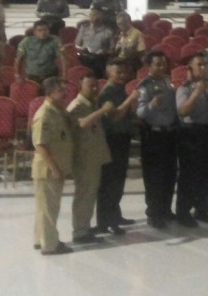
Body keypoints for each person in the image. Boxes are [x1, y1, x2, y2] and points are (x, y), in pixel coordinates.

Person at [67, 76, 114, 244]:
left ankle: (84, 227)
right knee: (84, 194)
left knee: (89, 194)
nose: (95, 89)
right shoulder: (78, 105)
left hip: (93, 157)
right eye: (90, 86)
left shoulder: (90, 104)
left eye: (96, 85)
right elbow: (82, 124)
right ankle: (79, 231)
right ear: (80, 86)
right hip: (84, 158)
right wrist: (102, 110)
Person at [95, 59, 139, 235]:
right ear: (108, 73)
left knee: (118, 181)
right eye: (118, 72)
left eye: (124, 72)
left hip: (122, 138)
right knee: (109, 182)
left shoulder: (119, 90)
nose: (122, 76)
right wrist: (130, 100)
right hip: (111, 140)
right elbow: (113, 117)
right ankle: (106, 222)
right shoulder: (107, 93)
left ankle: (115, 215)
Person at [135, 50, 179, 228]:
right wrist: (151, 105)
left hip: (169, 133)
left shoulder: (168, 82)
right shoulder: (144, 86)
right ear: (149, 67)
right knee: (154, 177)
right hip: (153, 135)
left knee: (169, 174)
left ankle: (166, 209)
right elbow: (139, 112)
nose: (162, 67)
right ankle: (153, 213)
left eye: (163, 64)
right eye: (157, 64)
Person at [175, 52, 208, 225]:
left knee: (207, 173)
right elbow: (183, 111)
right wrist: (196, 93)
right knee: (188, 175)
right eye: (199, 65)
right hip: (191, 134)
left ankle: (202, 209)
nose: (203, 68)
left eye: (205, 65)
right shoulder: (184, 88)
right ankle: (183, 212)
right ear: (190, 68)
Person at [31, 78, 74, 255]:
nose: (65, 94)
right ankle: (50, 245)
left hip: (54, 166)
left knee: (44, 207)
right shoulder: (45, 115)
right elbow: (40, 145)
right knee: (49, 208)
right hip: (48, 169)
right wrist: (55, 169)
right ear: (50, 93)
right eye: (60, 91)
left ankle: (40, 239)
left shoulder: (57, 111)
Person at [16, 20, 66, 84]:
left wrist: (64, 75)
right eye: (39, 30)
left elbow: (63, 58)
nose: (43, 32)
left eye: (45, 30)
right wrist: (17, 75)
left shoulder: (55, 41)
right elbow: (18, 59)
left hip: (50, 75)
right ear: (34, 32)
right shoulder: (26, 42)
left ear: (49, 31)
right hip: (32, 76)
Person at [75, 7, 115, 78]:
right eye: (92, 15)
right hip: (84, 56)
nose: (94, 17)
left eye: (97, 15)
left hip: (99, 58)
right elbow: (76, 44)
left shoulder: (108, 31)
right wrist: (81, 49)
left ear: (102, 16)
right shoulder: (84, 28)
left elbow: (112, 49)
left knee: (97, 62)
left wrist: (103, 51)